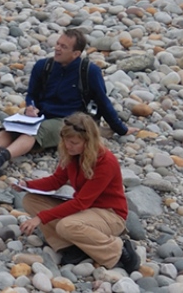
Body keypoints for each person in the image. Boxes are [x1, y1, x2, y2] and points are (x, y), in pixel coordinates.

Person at [0, 29, 129, 177]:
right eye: (58, 43)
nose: (57, 48)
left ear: (76, 54)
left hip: (69, 121)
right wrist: (30, 106)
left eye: (64, 47)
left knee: (34, 132)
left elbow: (103, 103)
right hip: (40, 115)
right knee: (11, 128)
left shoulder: (89, 72)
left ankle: (0, 158)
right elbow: (32, 95)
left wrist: (121, 129)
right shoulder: (43, 66)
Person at [18, 113, 141, 271]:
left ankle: (118, 250)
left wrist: (40, 218)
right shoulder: (72, 155)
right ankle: (70, 246)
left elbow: (82, 202)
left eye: (74, 143)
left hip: (110, 214)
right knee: (30, 200)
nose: (68, 146)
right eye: (65, 141)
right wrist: (26, 184)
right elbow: (56, 181)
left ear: (88, 141)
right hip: (87, 210)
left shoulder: (105, 162)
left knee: (66, 226)